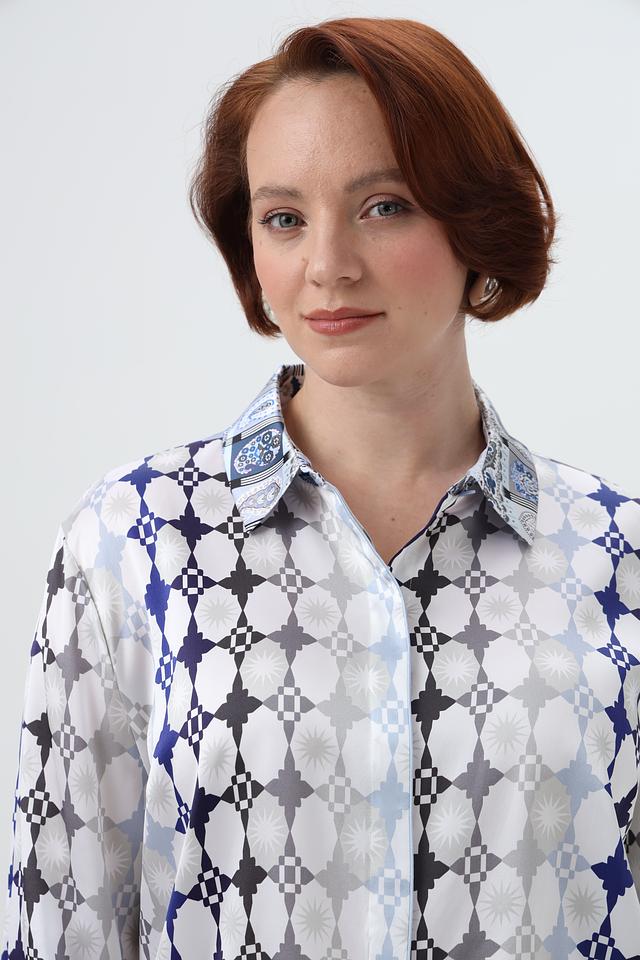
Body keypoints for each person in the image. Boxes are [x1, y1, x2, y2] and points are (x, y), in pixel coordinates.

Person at [3, 15, 640, 960]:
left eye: (385, 206)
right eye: (284, 218)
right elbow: (64, 923)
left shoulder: (615, 557)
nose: (328, 265)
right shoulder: (134, 543)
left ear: (474, 221)